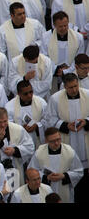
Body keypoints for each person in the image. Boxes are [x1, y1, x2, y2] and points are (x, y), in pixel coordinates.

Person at [45, 72, 89, 203]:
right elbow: (49, 119)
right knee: (70, 172)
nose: (74, 90)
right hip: (66, 138)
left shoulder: (88, 95)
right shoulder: (55, 99)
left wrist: (86, 121)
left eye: (76, 86)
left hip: (84, 139)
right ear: (64, 86)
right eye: (70, 87)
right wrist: (64, 125)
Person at [28, 127, 84, 203]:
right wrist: (45, 177)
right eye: (52, 141)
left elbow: (79, 172)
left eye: (58, 139)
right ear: (46, 141)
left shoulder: (69, 151)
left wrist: (64, 176)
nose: (56, 143)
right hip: (45, 189)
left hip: (64, 190)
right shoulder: (39, 153)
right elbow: (31, 171)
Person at [0, 107, 35, 185]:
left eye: (5, 121)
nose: (3, 125)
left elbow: (30, 147)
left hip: (13, 168)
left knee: (13, 192)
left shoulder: (17, 129)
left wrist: (15, 150)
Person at [40, 11, 85, 91]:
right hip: (53, 73)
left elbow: (79, 58)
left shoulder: (78, 37)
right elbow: (44, 57)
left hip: (72, 73)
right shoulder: (46, 37)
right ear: (54, 25)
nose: (64, 28)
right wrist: (56, 69)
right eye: (60, 26)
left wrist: (67, 70)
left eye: (65, 25)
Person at [5, 80, 48, 150]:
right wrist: (21, 129)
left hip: (38, 140)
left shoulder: (41, 102)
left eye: (31, 92)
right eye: (25, 94)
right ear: (18, 94)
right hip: (20, 143)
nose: (29, 95)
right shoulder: (9, 106)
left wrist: (37, 126)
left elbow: (48, 120)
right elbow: (8, 125)